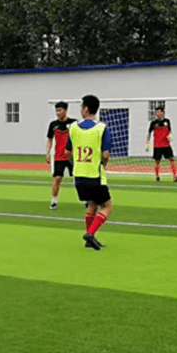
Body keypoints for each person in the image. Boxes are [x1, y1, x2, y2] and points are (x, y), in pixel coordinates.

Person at [67, 94, 114, 251]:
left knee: (92, 204)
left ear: (86, 109)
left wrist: (75, 163)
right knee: (107, 206)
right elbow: (105, 155)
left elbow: (67, 152)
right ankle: (90, 233)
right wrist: (103, 165)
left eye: (81, 107)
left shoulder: (73, 127)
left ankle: (89, 239)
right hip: (95, 175)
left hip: (79, 175)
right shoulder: (102, 128)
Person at [45, 101, 77, 209]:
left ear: (65, 110)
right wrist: (48, 153)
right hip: (58, 157)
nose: (58, 113)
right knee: (57, 178)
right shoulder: (53, 125)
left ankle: (87, 200)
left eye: (60, 110)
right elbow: (50, 140)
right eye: (56, 110)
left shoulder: (73, 123)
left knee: (79, 179)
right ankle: (54, 200)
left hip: (72, 156)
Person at [146, 107, 177, 182]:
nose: (157, 114)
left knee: (172, 159)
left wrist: (170, 136)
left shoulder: (167, 121)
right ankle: (157, 176)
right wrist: (147, 142)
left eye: (159, 112)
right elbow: (149, 133)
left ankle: (175, 177)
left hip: (166, 144)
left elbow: (169, 131)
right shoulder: (153, 123)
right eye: (156, 112)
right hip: (157, 145)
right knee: (157, 161)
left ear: (162, 113)